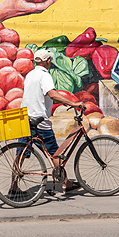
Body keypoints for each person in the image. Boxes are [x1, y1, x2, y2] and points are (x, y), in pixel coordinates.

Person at [19, 49, 85, 192]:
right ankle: (65, 183)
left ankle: (13, 186)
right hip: (40, 121)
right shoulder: (45, 75)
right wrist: (74, 103)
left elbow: (39, 96)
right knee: (55, 153)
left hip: (25, 118)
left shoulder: (30, 75)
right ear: (48, 61)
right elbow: (52, 94)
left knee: (20, 154)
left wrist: (64, 102)